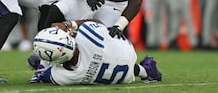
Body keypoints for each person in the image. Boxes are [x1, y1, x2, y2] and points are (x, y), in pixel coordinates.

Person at [28, 20, 162, 85]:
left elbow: (44, 74)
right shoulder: (86, 34)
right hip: (126, 49)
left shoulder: (66, 76)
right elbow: (98, 23)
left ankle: (144, 70)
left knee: (36, 61)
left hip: (122, 75)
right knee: (107, 46)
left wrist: (41, 62)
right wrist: (69, 24)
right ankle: (146, 70)